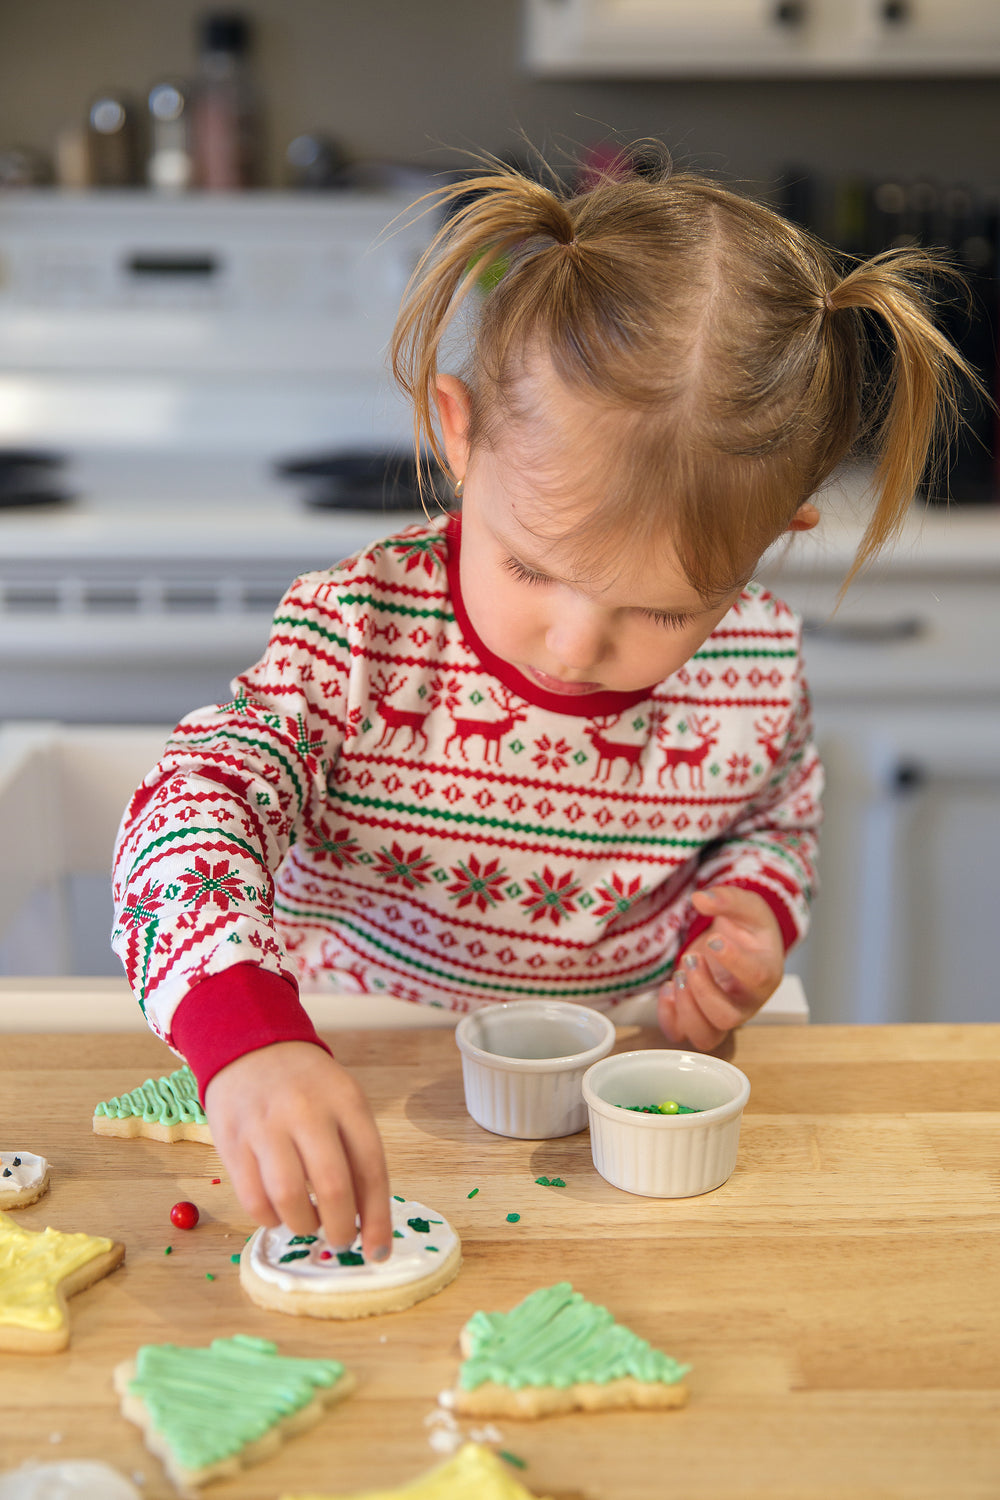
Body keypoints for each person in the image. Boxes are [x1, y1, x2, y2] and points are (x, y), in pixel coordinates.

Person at [112, 153, 974, 1264]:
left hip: (604, 1125)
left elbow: (772, 822)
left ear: (774, 540)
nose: (577, 648)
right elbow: (188, 807)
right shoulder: (358, 636)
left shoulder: (756, 661)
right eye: (527, 568)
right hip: (348, 1093)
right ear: (457, 433)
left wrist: (748, 922)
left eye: (659, 612)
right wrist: (246, 1037)